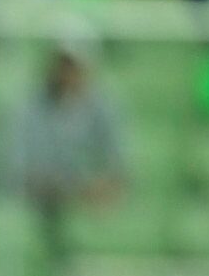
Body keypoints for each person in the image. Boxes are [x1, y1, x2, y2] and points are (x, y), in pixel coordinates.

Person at [12, 36, 128, 209]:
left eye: (72, 66)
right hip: (41, 204)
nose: (65, 74)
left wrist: (98, 188)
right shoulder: (30, 107)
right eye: (62, 66)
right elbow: (20, 173)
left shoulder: (104, 108)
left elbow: (119, 168)